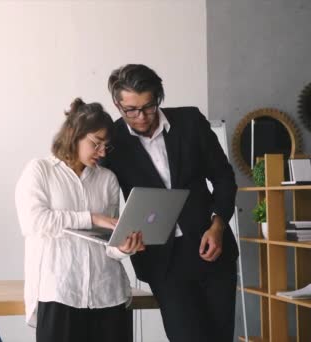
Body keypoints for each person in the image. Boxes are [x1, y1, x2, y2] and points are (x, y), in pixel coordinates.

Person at [100, 64, 239, 342]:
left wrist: (218, 225)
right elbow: (101, 194)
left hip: (211, 247)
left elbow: (223, 177)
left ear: (158, 97)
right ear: (117, 105)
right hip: (162, 261)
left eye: (148, 107)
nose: (141, 117)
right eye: (131, 110)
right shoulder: (112, 143)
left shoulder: (190, 122)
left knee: (220, 337)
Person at [15, 98, 144, 342]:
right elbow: (34, 222)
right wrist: (91, 217)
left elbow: (109, 242)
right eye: (96, 143)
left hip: (108, 294)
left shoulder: (107, 179)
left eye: (107, 146)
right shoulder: (40, 170)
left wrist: (123, 248)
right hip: (61, 293)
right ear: (74, 135)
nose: (102, 152)